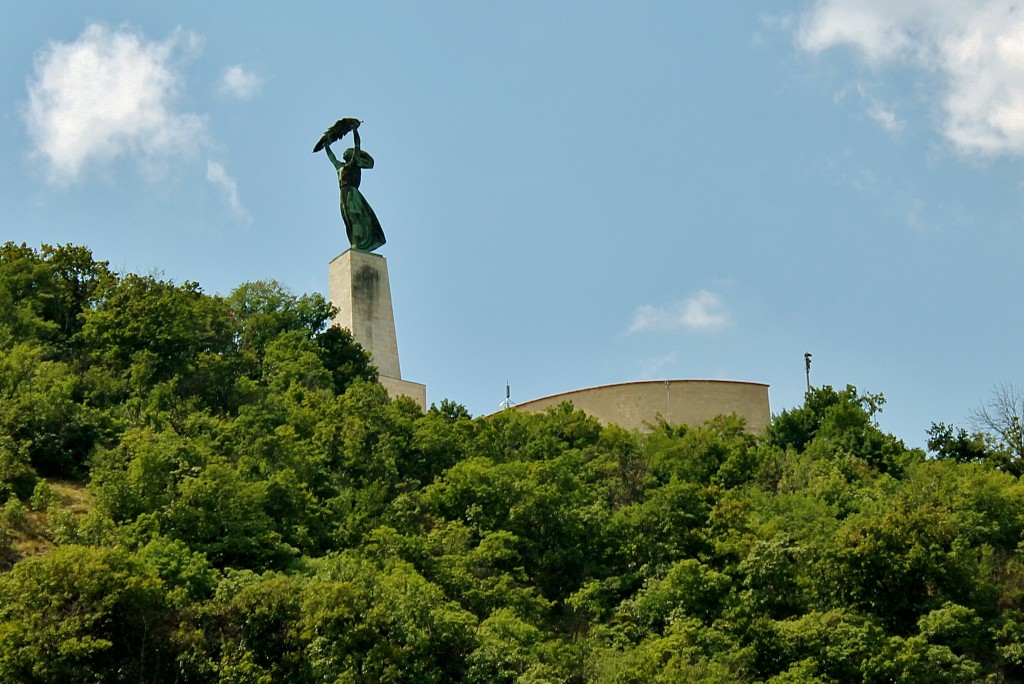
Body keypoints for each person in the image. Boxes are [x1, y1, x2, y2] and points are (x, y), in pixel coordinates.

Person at [324, 128, 386, 252]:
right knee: (347, 219)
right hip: (343, 194)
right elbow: (332, 158)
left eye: (346, 152)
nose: (344, 154)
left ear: (350, 155)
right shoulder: (340, 167)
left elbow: (357, 145)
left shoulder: (353, 163)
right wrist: (326, 144)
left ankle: (357, 243)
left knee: (354, 217)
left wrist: (354, 130)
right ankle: (354, 241)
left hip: (352, 193)